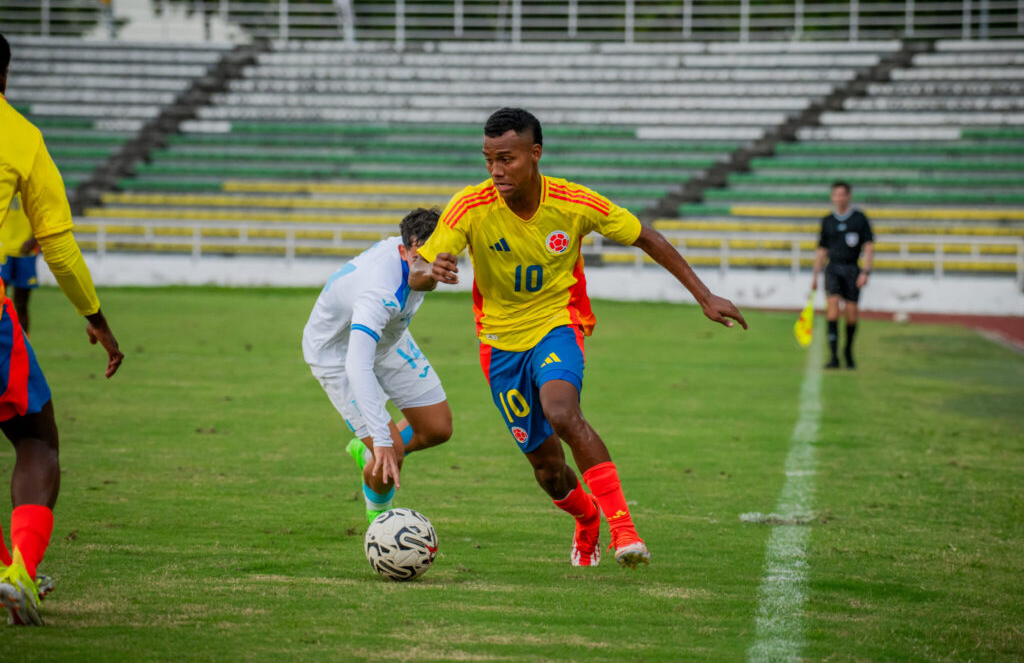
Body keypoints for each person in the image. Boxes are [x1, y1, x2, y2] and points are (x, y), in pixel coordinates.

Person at [409, 108, 747, 568]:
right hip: (500, 344)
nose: (495, 170)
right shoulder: (469, 206)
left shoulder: (573, 202)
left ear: (535, 154)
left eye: (506, 158)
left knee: (562, 412)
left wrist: (704, 295)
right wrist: (431, 270)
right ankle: (586, 518)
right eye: (489, 159)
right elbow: (420, 271)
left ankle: (623, 531)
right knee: (548, 470)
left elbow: (646, 237)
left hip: (556, 324)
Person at [0, 32, 124, 626]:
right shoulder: (19, 137)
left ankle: (10, 577)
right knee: (37, 439)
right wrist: (95, 318)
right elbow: (58, 245)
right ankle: (19, 572)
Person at [303, 208, 452, 524]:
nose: (430, 265)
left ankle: (367, 451)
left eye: (438, 256)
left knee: (438, 428)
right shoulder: (379, 293)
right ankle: (380, 527)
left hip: (389, 339)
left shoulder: (423, 254)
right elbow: (358, 366)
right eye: (420, 257)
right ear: (403, 251)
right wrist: (382, 440)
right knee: (391, 452)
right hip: (339, 355)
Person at [811, 181, 874, 369]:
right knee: (832, 308)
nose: (839, 198)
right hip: (833, 269)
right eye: (836, 195)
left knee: (851, 313)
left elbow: (869, 247)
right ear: (832, 197)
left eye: (842, 194)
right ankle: (833, 357)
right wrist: (815, 275)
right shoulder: (827, 221)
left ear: (848, 196)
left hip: (852, 269)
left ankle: (848, 351)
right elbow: (821, 250)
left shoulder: (859, 219)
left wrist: (865, 271)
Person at [0, 194, 40, 335]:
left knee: (21, 304)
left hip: (26, 252)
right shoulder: (4, 182)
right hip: (3, 251)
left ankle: (25, 347)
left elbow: (42, 216)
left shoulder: (30, 186)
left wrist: (34, 239)